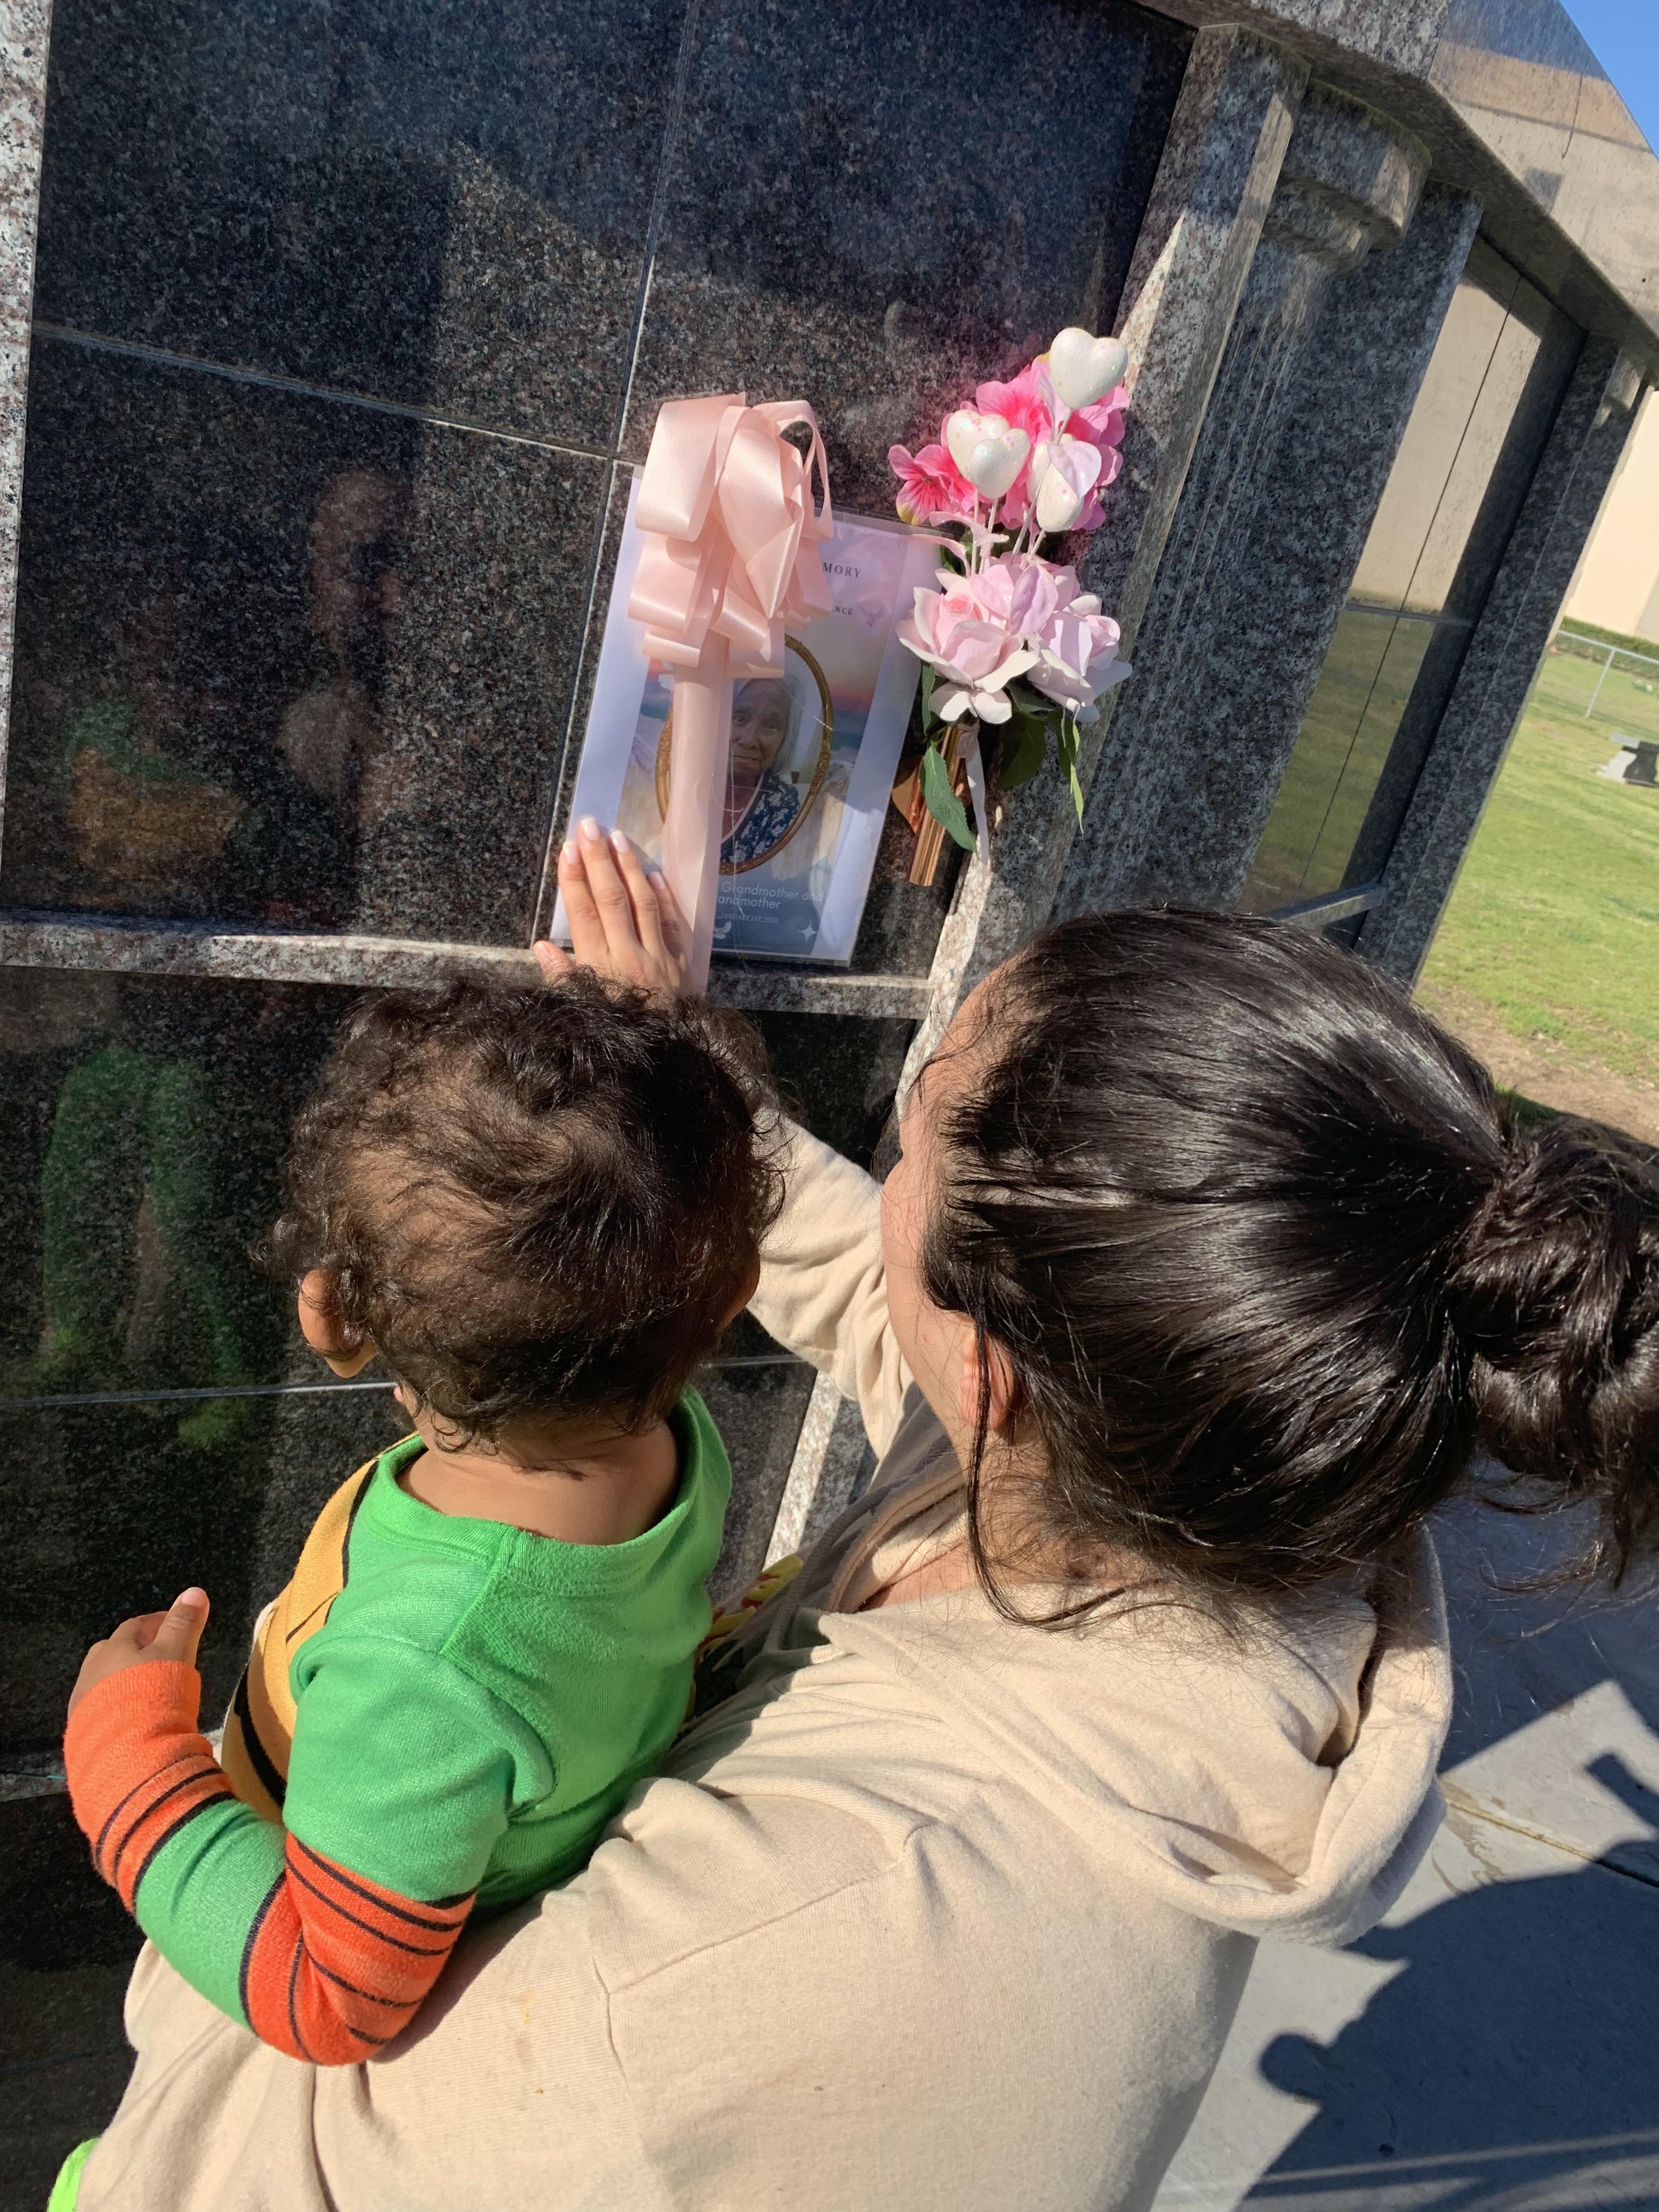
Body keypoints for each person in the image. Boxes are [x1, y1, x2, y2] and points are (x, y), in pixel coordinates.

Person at [58, 828, 1659, 2212]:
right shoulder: (1213, 1461)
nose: (870, 1160)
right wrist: (658, 1125)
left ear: (994, 1374)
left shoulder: (775, 1959)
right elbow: (881, 1290)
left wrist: (208, 1777)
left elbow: (279, 2143)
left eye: (908, 1133)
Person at [56, 962, 778, 2108]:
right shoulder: (665, 1432)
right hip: (421, 1839)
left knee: (158, 2130)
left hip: (254, 1953)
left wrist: (128, 1768)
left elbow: (326, 1993)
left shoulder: (430, 1668)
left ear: (329, 1315)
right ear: (726, 1297)